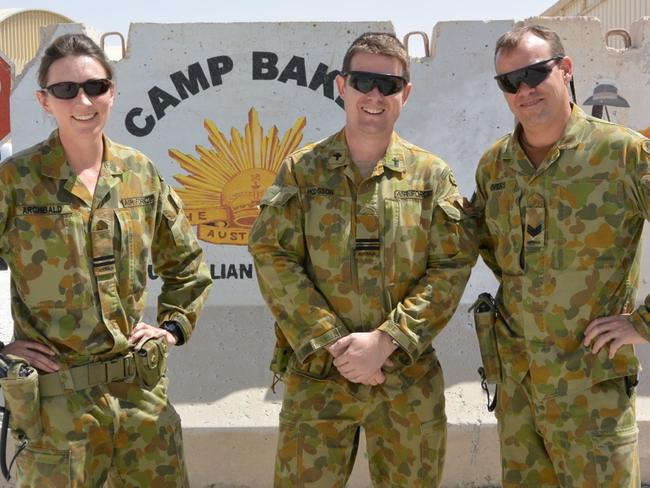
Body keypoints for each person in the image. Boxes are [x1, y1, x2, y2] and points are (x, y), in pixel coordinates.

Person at [248, 32, 474, 487]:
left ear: (405, 94)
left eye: (388, 85)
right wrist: (335, 343)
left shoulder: (431, 175)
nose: (374, 95)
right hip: (319, 377)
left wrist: (387, 341)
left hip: (405, 379)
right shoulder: (302, 170)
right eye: (363, 81)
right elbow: (273, 256)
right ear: (341, 86)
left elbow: (450, 267)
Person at [0, 33, 211, 486]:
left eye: (95, 87)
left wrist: (172, 326)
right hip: (59, 409)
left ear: (112, 92)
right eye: (66, 90)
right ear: (44, 100)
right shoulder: (15, 182)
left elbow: (187, 263)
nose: (83, 100)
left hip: (140, 400)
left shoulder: (139, 173)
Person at [474, 24, 649, 487]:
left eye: (534, 74)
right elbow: (496, 255)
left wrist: (643, 323)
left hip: (590, 394)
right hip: (519, 394)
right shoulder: (495, 166)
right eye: (509, 82)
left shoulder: (622, 153)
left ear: (565, 69)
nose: (523, 90)